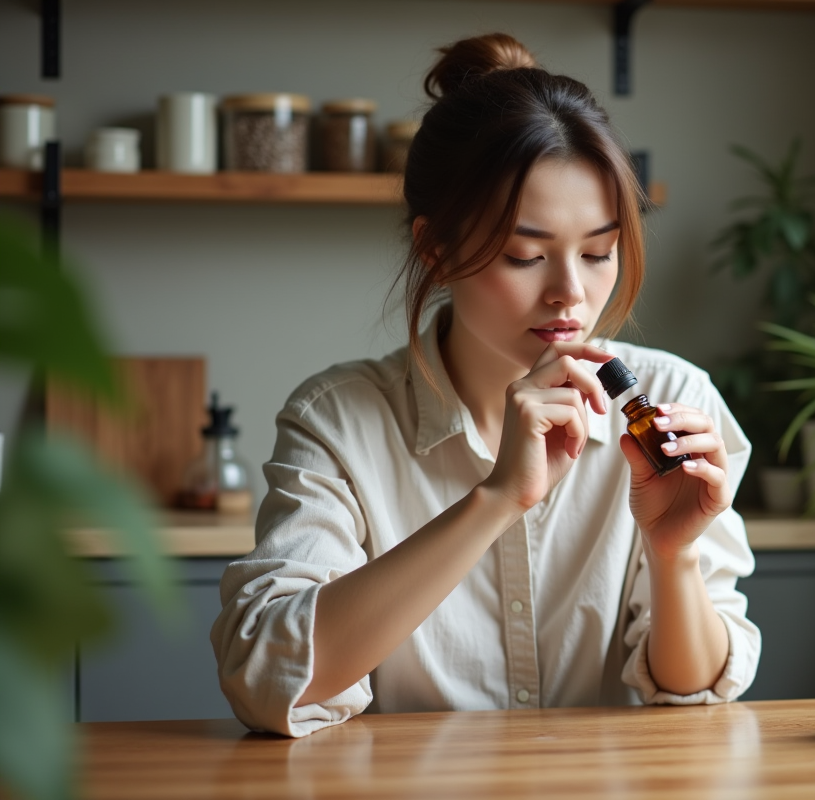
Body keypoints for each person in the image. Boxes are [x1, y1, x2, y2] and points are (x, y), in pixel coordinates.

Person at [211, 33, 761, 738]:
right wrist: (499, 499)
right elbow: (263, 681)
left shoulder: (673, 400)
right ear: (435, 250)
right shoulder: (340, 421)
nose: (571, 293)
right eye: (525, 255)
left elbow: (696, 698)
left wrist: (672, 552)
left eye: (598, 252)